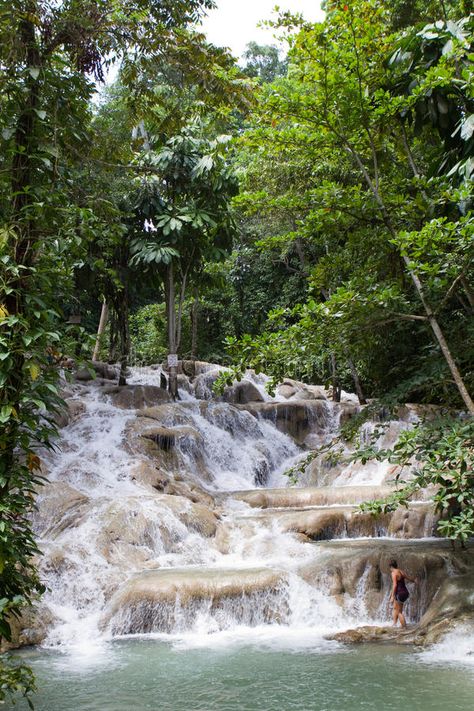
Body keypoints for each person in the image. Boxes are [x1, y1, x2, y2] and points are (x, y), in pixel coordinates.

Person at [389, 559, 416, 628]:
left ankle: (404, 627)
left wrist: (392, 596)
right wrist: (414, 580)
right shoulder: (401, 571)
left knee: (399, 612)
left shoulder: (393, 573)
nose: (390, 569)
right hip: (405, 593)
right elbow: (408, 578)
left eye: (390, 568)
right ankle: (394, 624)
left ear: (391, 567)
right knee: (395, 607)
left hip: (399, 593)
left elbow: (395, 585)